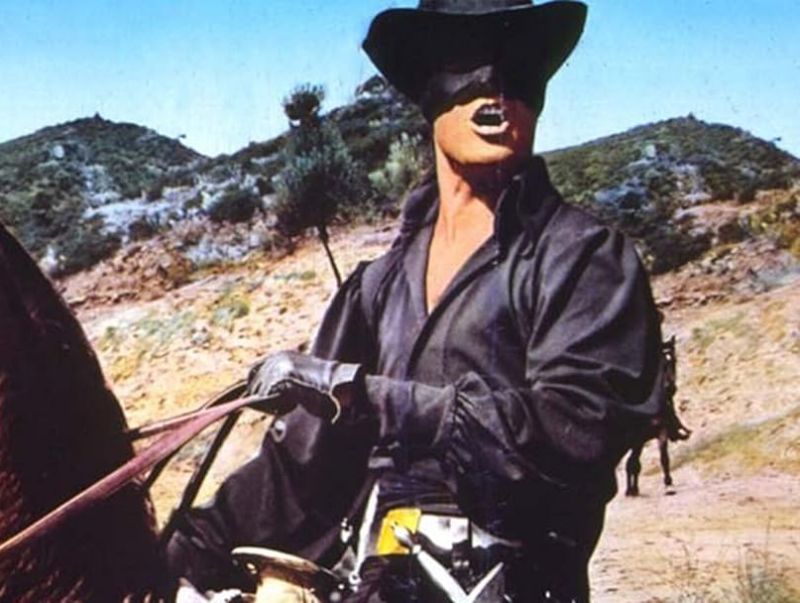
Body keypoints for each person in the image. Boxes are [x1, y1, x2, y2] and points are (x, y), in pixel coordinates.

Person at [166, 1, 667, 601]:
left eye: (520, 66)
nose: (496, 90)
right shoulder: (378, 285)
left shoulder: (585, 259)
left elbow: (574, 431)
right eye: (466, 65)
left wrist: (363, 395)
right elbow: (300, 473)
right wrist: (174, 554)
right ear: (429, 87)